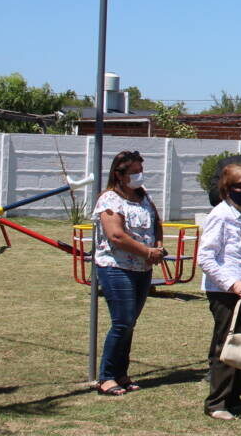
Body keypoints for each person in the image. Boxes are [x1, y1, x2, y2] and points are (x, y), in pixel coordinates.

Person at [92, 150, 164, 396]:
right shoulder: (109, 200)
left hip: (142, 268)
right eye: (134, 172)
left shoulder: (143, 196)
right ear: (119, 174)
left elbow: (156, 223)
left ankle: (121, 373)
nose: (139, 176)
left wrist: (158, 247)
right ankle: (107, 377)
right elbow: (116, 235)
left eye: (140, 170)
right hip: (116, 267)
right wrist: (147, 251)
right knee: (122, 322)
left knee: (130, 323)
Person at [198, 163, 241, 420]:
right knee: (227, 343)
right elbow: (206, 257)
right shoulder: (220, 215)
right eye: (239, 186)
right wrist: (232, 283)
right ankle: (217, 402)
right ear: (227, 189)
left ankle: (235, 397)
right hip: (226, 291)